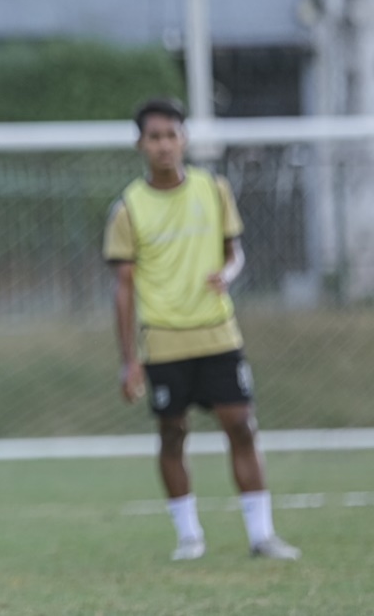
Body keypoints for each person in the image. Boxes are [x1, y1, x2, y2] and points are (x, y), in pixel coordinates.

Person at [103, 98, 301, 562]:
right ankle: (189, 537)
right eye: (155, 137)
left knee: (242, 426)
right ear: (140, 144)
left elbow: (235, 252)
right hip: (163, 340)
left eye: (172, 135)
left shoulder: (214, 189)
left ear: (184, 139)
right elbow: (123, 289)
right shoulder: (128, 208)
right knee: (173, 433)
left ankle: (262, 535)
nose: (164, 145)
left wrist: (228, 273)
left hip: (218, 334)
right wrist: (129, 361)